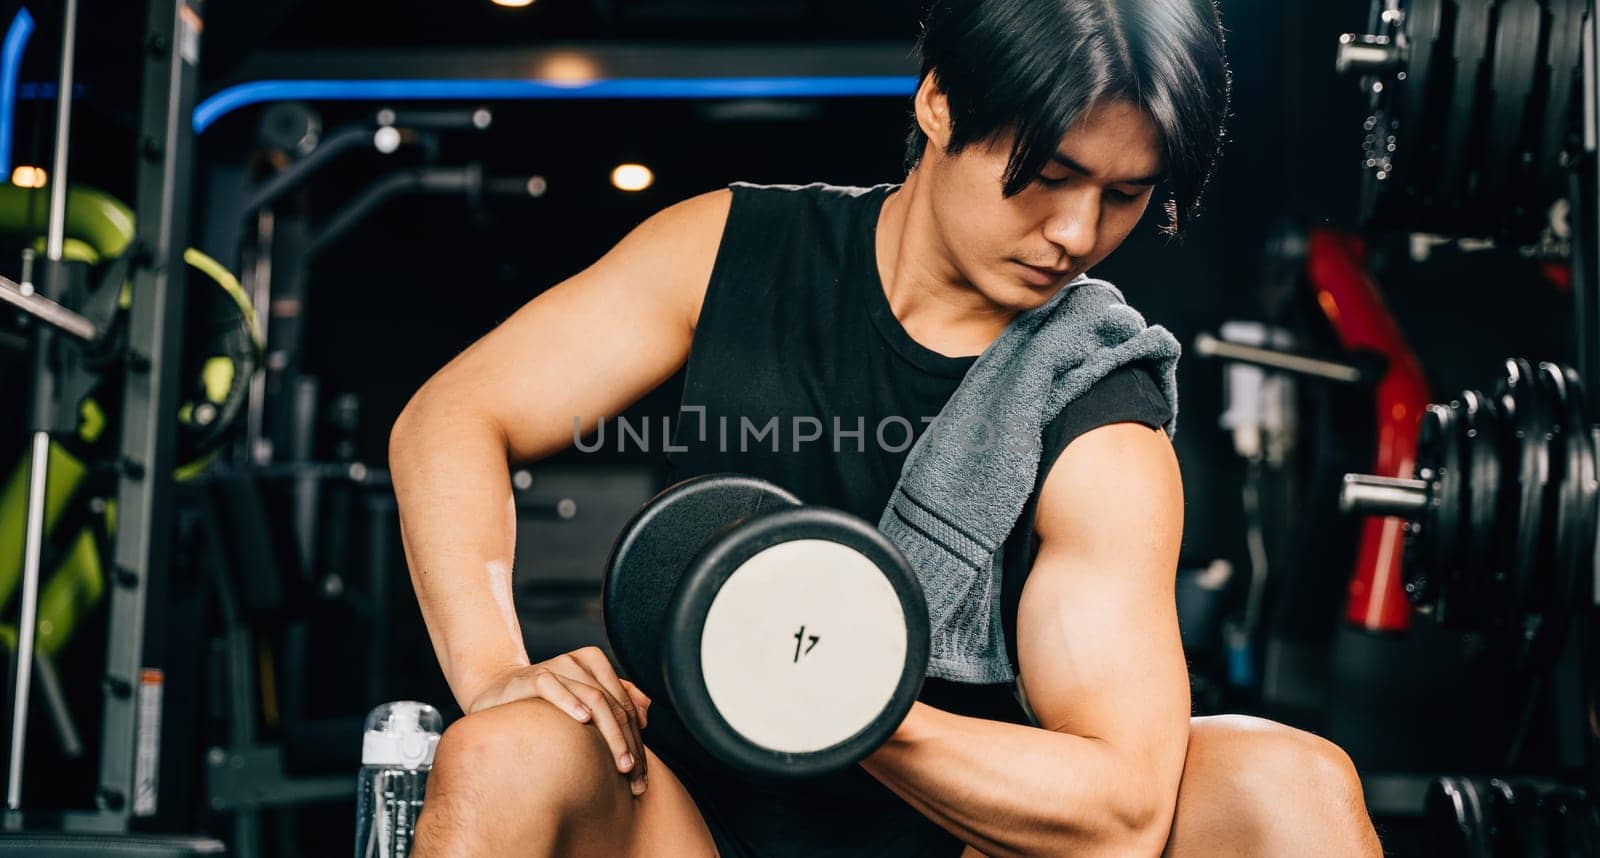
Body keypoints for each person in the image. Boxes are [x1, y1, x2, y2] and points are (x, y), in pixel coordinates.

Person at [389, 1, 1385, 855]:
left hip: (963, 837)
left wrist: (834, 696)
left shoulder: (1097, 398)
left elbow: (1116, 813)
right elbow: (450, 417)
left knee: (1286, 784)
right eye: (1046, 174)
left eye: (1124, 194)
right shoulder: (730, 252)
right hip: (689, 830)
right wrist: (497, 675)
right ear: (940, 101)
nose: (1077, 234)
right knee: (505, 747)